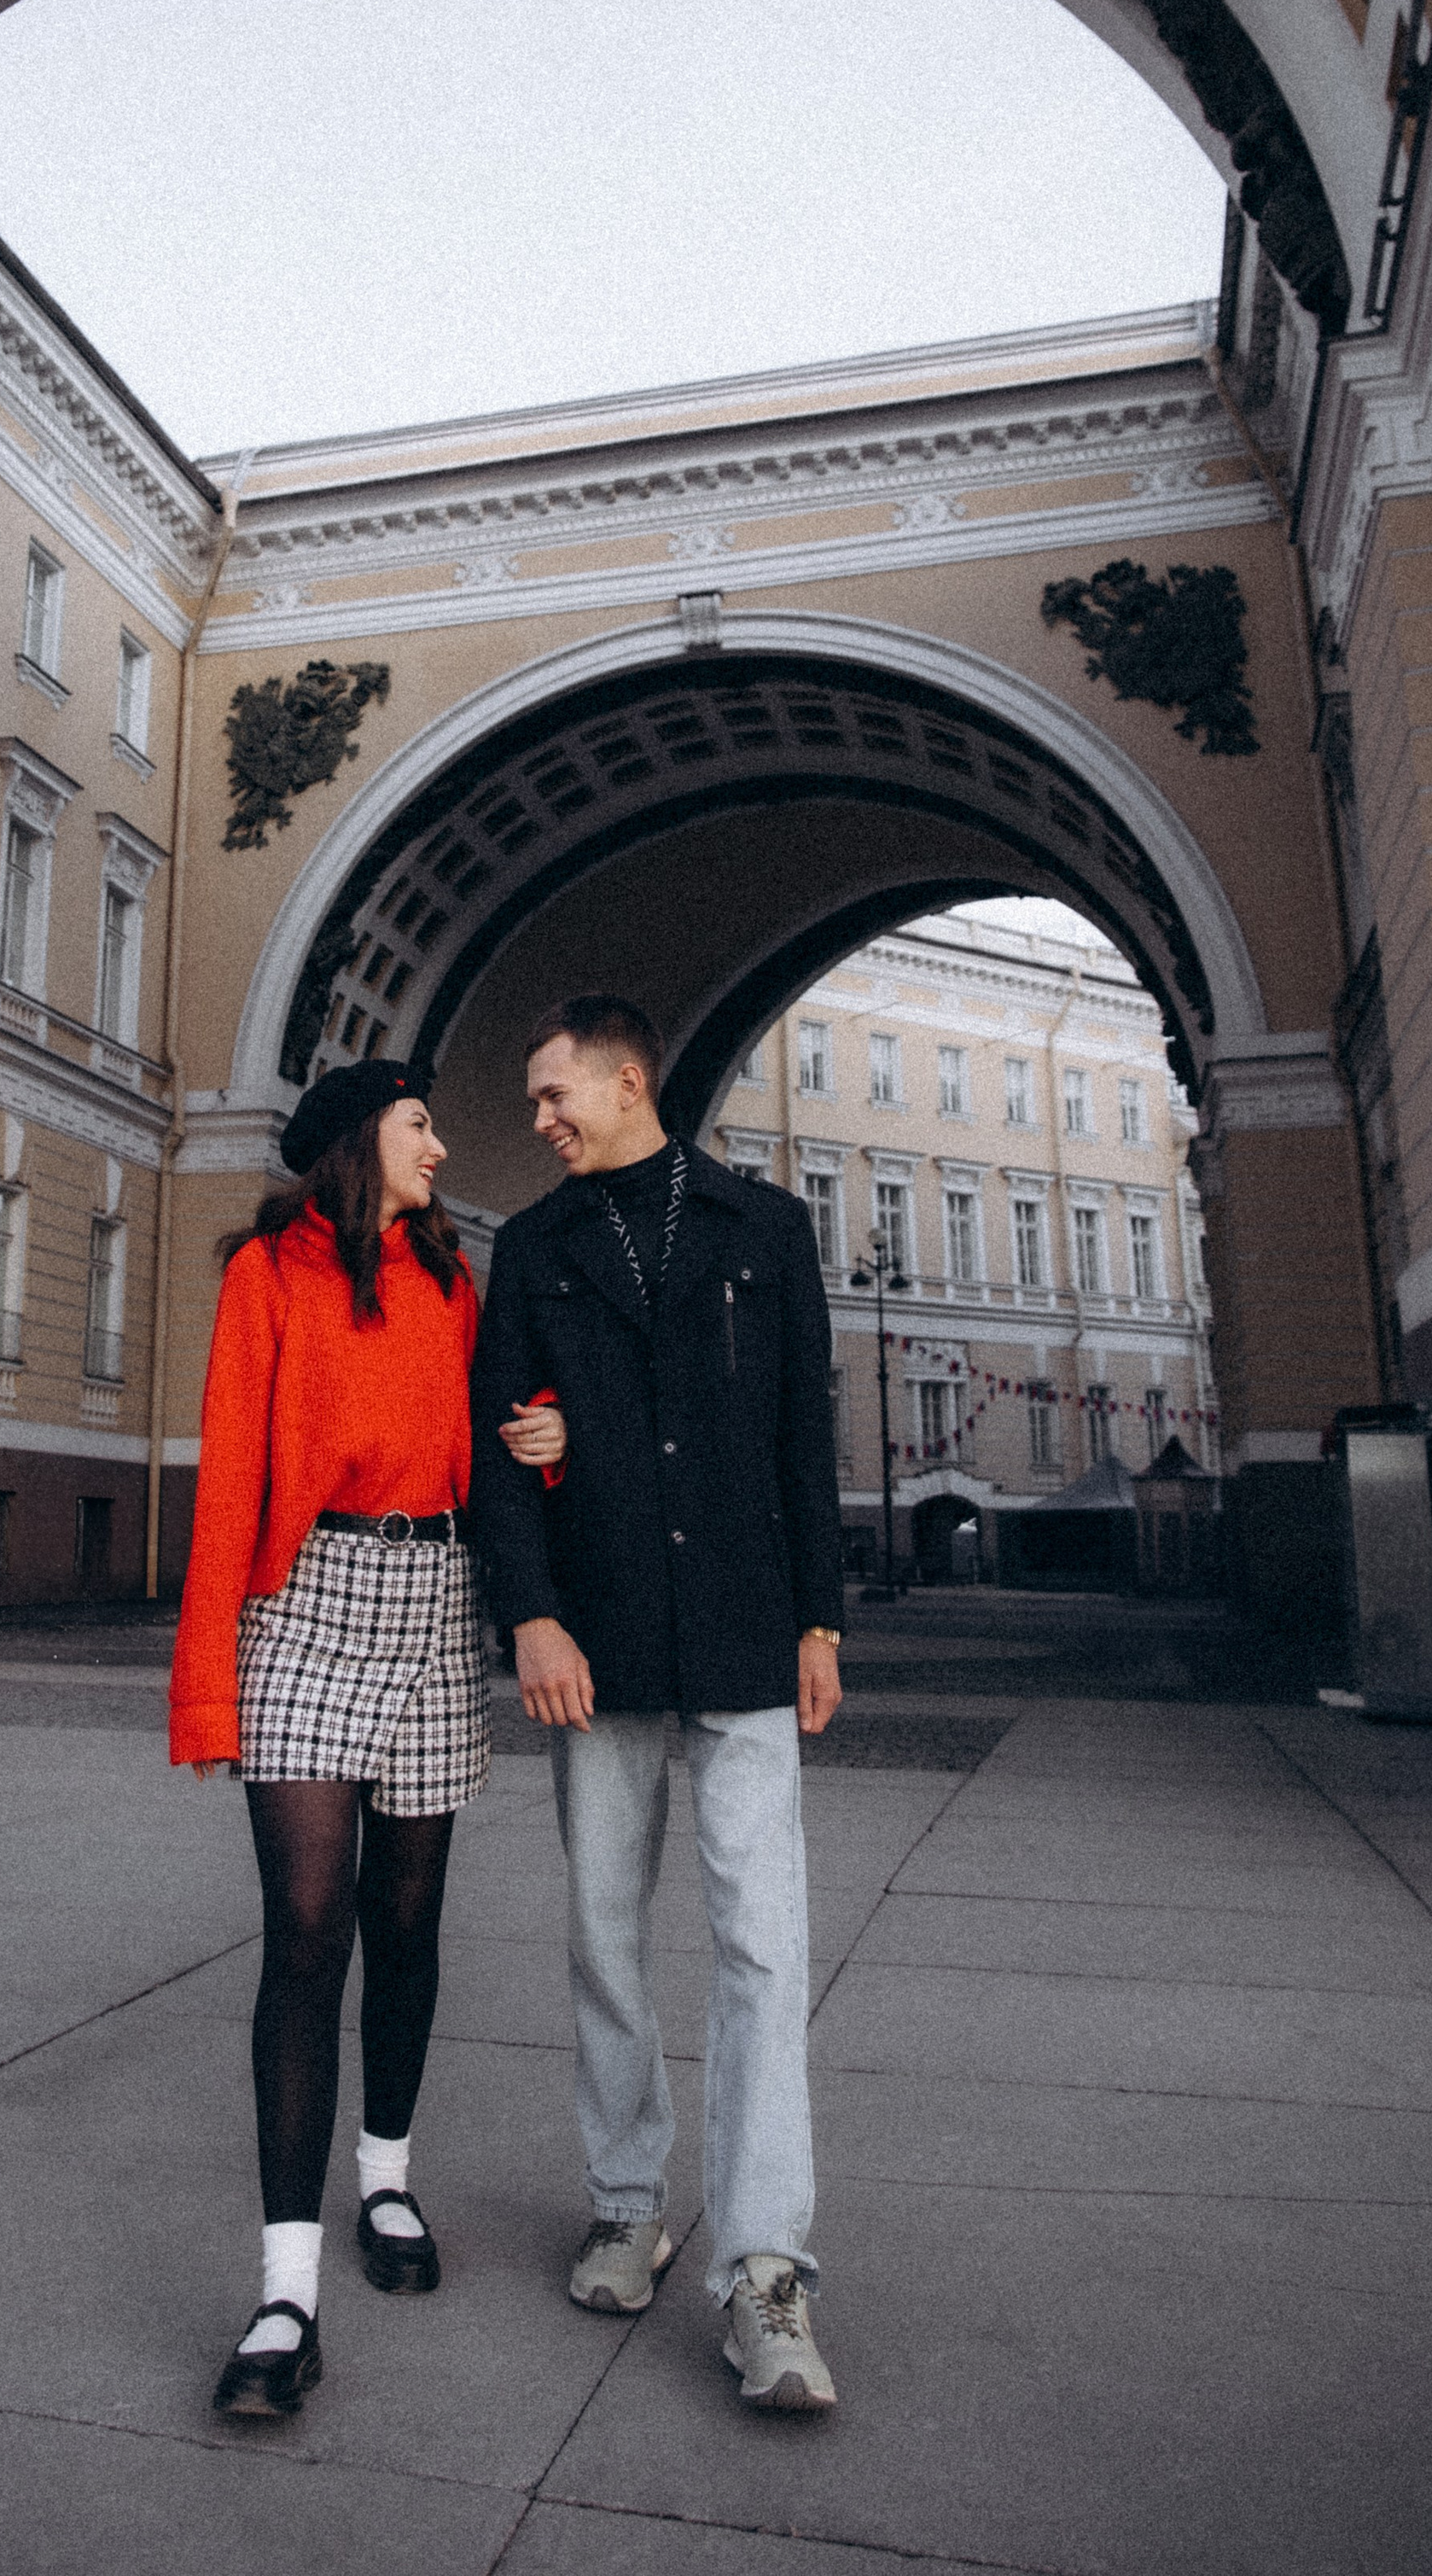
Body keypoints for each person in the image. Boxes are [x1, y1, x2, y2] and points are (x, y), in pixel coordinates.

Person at [170, 1055, 566, 2420]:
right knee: (306, 1930)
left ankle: (385, 2185)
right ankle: (287, 2293)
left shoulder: (454, 1285)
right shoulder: (266, 1278)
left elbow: (491, 1450)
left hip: (435, 1600)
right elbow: (228, 1481)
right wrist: (208, 1688)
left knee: (408, 1922)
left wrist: (547, 1443)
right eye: (419, 1127)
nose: (442, 1148)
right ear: (357, 1143)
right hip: (307, 1607)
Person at [469, 994, 847, 2413]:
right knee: (603, 1939)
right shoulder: (538, 1249)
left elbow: (807, 1427)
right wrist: (533, 1618)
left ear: (629, 1080)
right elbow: (500, 1446)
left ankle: (764, 2268)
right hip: (600, 1644)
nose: (543, 1119)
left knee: (761, 1951)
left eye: (557, 1093)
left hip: (750, 1633)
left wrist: (823, 1612)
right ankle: (628, 2200)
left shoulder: (764, 1229)